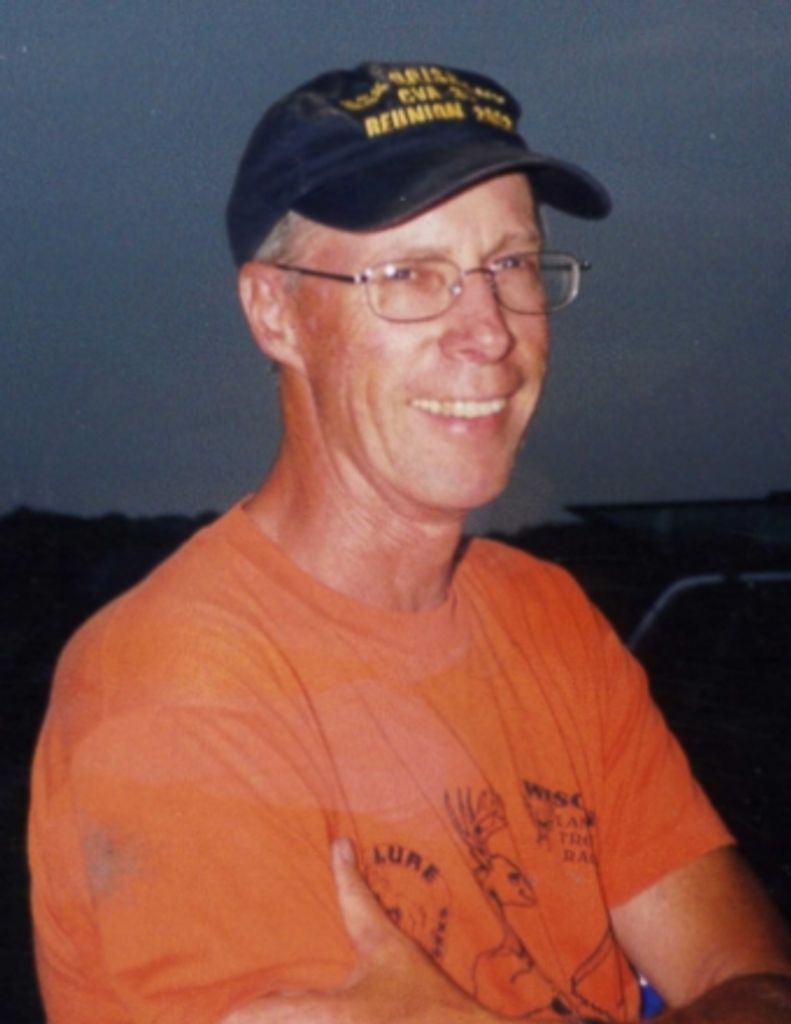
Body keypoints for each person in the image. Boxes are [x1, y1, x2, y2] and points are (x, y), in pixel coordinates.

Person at [29, 60, 791, 1024]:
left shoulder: (547, 615)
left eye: (510, 265)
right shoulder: (175, 683)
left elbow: (759, 984)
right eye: (407, 275)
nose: (488, 332)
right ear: (275, 312)